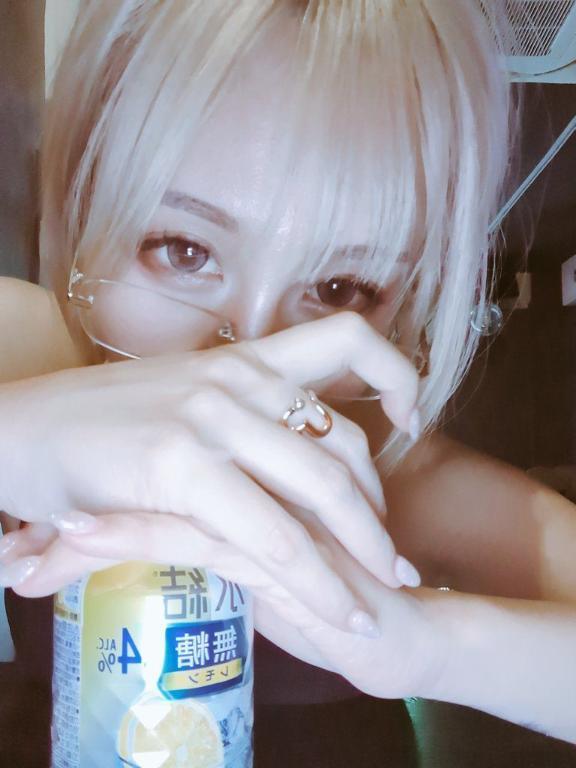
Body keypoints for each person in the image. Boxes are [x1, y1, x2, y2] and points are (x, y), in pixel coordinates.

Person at [0, 0, 575, 757]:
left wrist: (431, 647)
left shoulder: (399, 482)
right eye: (182, 251)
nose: (245, 355)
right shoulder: (29, 352)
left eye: (339, 289)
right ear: (77, 217)